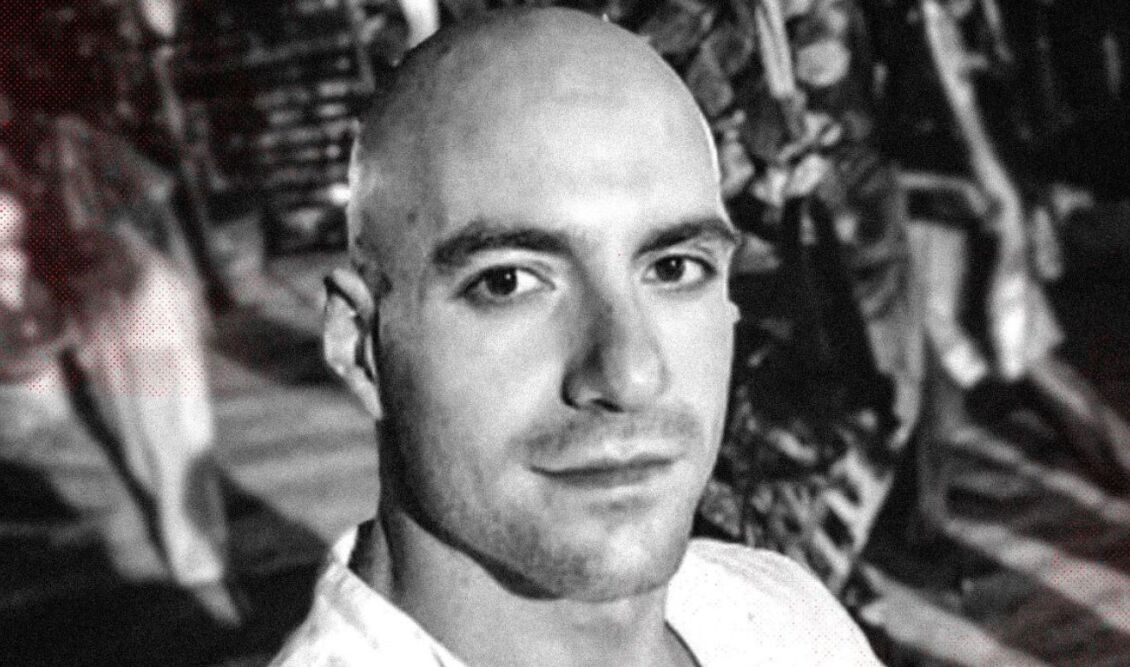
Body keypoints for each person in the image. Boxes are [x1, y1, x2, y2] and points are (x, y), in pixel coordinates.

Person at [273, 8, 879, 665]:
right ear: (360, 346)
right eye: (507, 282)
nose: (629, 374)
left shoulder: (785, 614)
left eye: (674, 269)